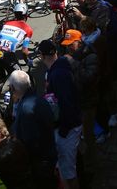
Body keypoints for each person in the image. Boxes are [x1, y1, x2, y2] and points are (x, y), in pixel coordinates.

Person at [39, 39, 82, 189]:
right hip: (68, 126)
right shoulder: (58, 68)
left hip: (68, 129)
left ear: (42, 56)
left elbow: (66, 104)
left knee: (69, 173)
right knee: (67, 170)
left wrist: (63, 131)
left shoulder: (58, 74)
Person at [7, 70, 57, 189]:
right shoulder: (40, 100)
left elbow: (28, 141)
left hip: (39, 162)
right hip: (50, 152)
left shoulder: (25, 110)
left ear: (13, 89)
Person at [0, 3, 32, 93]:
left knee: (1, 79)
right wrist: (27, 61)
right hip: (8, 56)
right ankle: (11, 97)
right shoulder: (28, 29)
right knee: (19, 79)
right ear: (26, 15)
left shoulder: (6, 23)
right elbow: (24, 51)